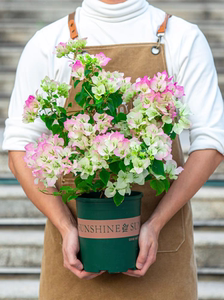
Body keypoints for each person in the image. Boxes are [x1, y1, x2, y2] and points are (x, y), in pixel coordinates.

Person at [2, 0, 224, 299]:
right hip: (75, 256)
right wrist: (67, 228)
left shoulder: (181, 37)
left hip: (162, 252)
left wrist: (155, 225)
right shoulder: (49, 42)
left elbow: (212, 142)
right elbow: (19, 149)